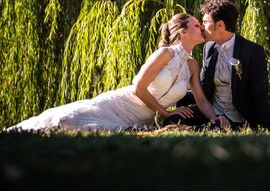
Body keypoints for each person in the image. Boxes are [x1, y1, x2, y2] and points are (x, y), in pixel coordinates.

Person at [6, 13, 220, 132]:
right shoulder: (164, 54)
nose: (201, 27)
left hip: (144, 118)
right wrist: (166, 114)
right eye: (196, 24)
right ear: (183, 31)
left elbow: (201, 100)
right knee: (67, 121)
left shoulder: (191, 65)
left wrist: (216, 119)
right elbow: (138, 88)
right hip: (122, 103)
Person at [164, 0, 270, 130]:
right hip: (210, 111)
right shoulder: (209, 47)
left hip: (238, 118)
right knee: (172, 120)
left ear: (220, 25)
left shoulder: (252, 52)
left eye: (205, 22)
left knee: (214, 129)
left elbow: (260, 94)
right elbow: (204, 88)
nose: (201, 26)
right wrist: (171, 97)